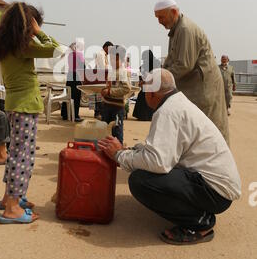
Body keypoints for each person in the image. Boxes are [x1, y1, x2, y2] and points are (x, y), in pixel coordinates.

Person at [98, 69, 241, 245]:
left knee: (140, 181)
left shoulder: (168, 111)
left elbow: (157, 162)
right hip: (218, 188)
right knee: (145, 170)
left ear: (151, 93)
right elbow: (164, 151)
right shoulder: (177, 103)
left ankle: (199, 223)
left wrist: (119, 155)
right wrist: (131, 151)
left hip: (215, 193)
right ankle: (195, 211)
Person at [0, 2, 60, 224]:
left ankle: (9, 197)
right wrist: (39, 32)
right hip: (25, 105)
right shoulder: (23, 45)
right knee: (23, 157)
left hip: (14, 103)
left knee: (16, 153)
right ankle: (11, 209)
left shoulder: (4, 44)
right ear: (27, 25)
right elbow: (56, 49)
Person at [154, 0, 229, 145]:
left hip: (203, 89)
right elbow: (171, 60)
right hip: (192, 86)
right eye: (157, 18)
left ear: (174, 12)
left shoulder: (185, 29)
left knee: (207, 129)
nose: (159, 21)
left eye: (161, 17)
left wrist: (159, 81)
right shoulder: (176, 30)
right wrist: (158, 74)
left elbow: (183, 65)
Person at [101, 45, 131, 143]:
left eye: (115, 60)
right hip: (107, 105)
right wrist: (104, 90)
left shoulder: (122, 72)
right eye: (111, 59)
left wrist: (110, 92)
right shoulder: (112, 71)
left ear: (122, 60)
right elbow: (109, 85)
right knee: (105, 130)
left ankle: (118, 152)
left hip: (117, 108)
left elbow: (126, 88)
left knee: (116, 131)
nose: (112, 62)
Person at [133, 49, 160, 121]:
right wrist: (141, 81)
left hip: (155, 86)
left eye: (145, 59)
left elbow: (156, 77)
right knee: (141, 95)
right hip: (146, 86)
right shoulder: (143, 66)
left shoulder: (157, 65)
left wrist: (146, 81)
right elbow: (141, 77)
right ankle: (142, 116)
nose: (144, 61)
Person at [61, 41, 85, 122]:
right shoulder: (79, 54)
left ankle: (65, 114)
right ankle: (75, 115)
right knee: (76, 96)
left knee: (69, 94)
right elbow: (82, 66)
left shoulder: (70, 54)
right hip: (76, 76)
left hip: (70, 75)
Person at [94, 41, 113, 119]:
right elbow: (103, 67)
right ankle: (98, 112)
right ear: (106, 47)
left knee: (100, 94)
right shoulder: (101, 54)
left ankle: (99, 112)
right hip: (100, 75)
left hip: (102, 75)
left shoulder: (104, 54)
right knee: (99, 94)